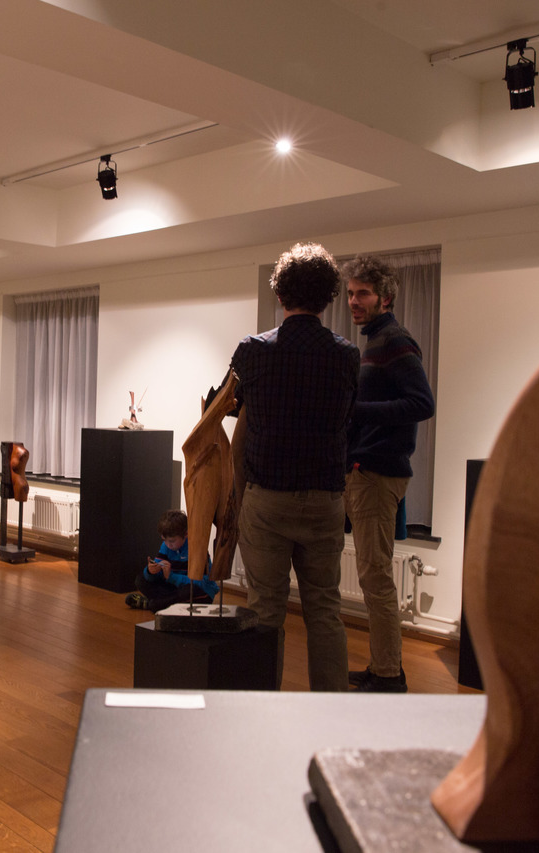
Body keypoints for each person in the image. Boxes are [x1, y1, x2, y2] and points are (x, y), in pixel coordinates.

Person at [230, 242, 359, 692]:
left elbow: (232, 414)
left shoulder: (253, 351)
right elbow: (347, 421)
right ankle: (330, 710)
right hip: (325, 499)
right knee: (325, 611)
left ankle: (265, 710)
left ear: (280, 293)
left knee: (265, 610)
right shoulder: (346, 355)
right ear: (327, 297)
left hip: (267, 499)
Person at [342, 254, 435, 693]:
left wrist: (357, 410)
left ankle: (388, 676)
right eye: (350, 293)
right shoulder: (376, 341)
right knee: (372, 575)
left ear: (385, 297)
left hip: (378, 473)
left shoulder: (395, 340)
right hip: (368, 470)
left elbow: (422, 403)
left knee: (375, 577)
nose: (353, 301)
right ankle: (382, 666)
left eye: (362, 293)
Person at [125, 509, 218, 612]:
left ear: (186, 534)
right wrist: (151, 571)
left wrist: (171, 577)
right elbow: (157, 574)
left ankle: (153, 604)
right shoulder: (166, 546)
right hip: (175, 589)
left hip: (199, 592)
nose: (168, 545)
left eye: (172, 541)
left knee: (188, 591)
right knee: (141, 580)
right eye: (164, 540)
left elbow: (201, 583)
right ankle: (161, 603)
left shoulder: (197, 548)